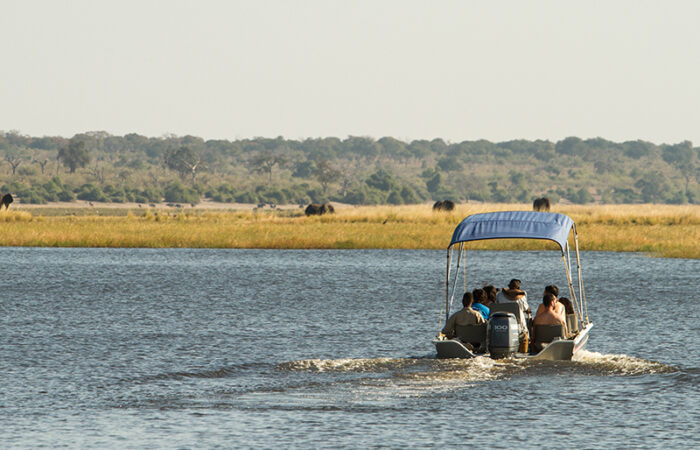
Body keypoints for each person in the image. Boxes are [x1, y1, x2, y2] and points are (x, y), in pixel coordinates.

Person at [495, 278, 530, 353]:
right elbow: (526, 308)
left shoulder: (500, 295)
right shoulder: (522, 297)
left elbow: (496, 306)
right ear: (518, 288)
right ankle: (523, 353)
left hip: (503, 325)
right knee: (525, 337)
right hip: (518, 326)